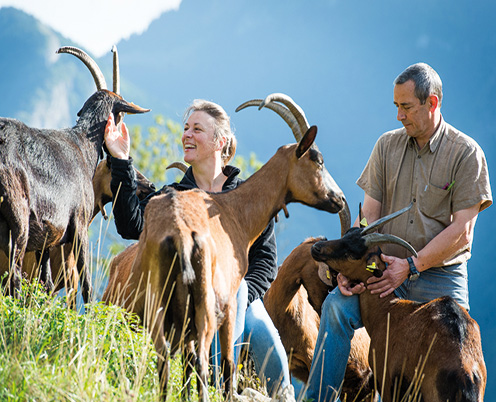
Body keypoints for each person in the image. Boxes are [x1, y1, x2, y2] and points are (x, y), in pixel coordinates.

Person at [306, 62, 492, 401]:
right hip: (382, 266)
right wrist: (354, 270)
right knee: (337, 307)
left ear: (432, 103)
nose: (398, 116)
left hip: (441, 275)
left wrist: (411, 265)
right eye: (396, 106)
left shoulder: (467, 154)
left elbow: (463, 232)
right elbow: (368, 219)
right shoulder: (386, 146)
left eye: (406, 107)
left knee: (456, 344)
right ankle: (317, 398)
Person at [104, 99, 294, 399]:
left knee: (255, 316)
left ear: (220, 141)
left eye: (197, 129)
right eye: (185, 128)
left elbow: (266, 262)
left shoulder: (248, 198)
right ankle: (220, 391)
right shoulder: (174, 198)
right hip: (191, 298)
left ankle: (284, 395)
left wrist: (233, 296)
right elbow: (131, 225)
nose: (187, 135)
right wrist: (121, 160)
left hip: (241, 298)